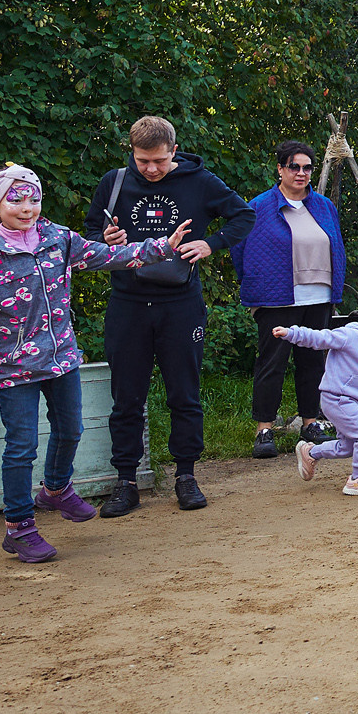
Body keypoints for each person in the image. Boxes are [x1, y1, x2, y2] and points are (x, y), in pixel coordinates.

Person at [0, 167, 192, 561]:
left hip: (62, 360)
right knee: (21, 447)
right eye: (15, 200)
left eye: (33, 198)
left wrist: (161, 247)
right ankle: (19, 527)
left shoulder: (58, 239)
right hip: (16, 369)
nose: (27, 207)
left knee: (71, 430)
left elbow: (110, 255)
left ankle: (56, 489)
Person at [82, 116, 253, 515]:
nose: (151, 169)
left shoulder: (200, 181)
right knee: (126, 397)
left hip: (180, 303)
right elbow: (88, 236)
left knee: (184, 393)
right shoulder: (114, 182)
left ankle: (186, 476)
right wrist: (103, 241)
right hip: (127, 303)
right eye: (142, 160)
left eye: (159, 160)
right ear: (132, 152)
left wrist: (211, 244)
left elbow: (244, 216)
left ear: (174, 151)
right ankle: (126, 482)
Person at [240, 139, 347, 460]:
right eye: (294, 167)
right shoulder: (259, 207)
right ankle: (264, 429)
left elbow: (336, 245)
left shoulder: (324, 206)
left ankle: (310, 423)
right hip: (276, 298)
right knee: (271, 363)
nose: (301, 173)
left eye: (307, 168)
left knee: (312, 362)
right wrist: (255, 283)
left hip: (318, 296)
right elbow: (240, 249)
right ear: (280, 169)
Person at [282, 292, 358, 496]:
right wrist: (291, 333)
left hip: (354, 401)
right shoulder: (350, 335)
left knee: (348, 446)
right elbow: (320, 338)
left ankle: (310, 452)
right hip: (336, 398)